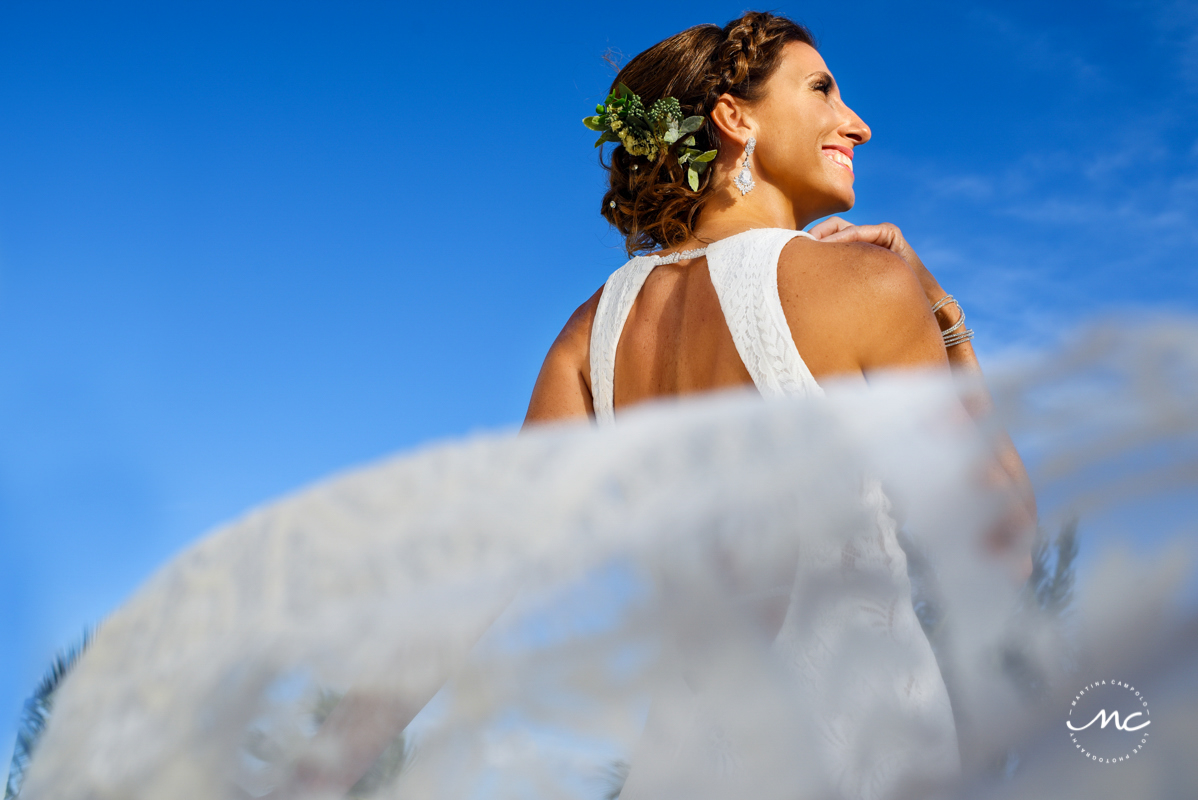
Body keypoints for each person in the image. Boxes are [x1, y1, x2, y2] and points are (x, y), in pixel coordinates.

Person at [521, 11, 1038, 799]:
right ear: (734, 120)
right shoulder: (866, 287)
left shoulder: (584, 336)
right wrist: (945, 313)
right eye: (822, 89)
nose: (856, 125)